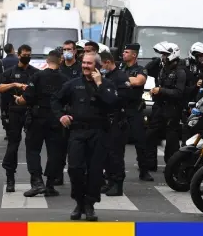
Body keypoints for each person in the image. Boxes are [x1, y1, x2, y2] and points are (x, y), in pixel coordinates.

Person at [51, 52, 118, 222]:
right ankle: (79, 202)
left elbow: (113, 103)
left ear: (97, 65)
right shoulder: (73, 84)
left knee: (95, 171)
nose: (86, 66)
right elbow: (55, 100)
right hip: (77, 132)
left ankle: (89, 205)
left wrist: (99, 84)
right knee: (75, 169)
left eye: (89, 63)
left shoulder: (106, 84)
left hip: (99, 133)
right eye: (84, 63)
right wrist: (61, 116)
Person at [14, 50, 68, 197]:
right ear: (60, 60)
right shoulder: (65, 79)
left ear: (48, 60)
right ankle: (50, 184)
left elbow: (27, 98)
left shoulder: (37, 76)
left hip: (37, 118)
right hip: (56, 119)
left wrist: (18, 100)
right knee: (55, 152)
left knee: (33, 151)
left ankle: (37, 182)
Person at [101, 47, 154, 197]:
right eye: (123, 52)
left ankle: (144, 170)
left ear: (134, 54)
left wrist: (122, 79)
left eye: (126, 52)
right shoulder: (121, 68)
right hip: (119, 111)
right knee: (114, 147)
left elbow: (139, 81)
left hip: (134, 110)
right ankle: (111, 178)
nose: (123, 54)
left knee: (139, 140)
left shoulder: (139, 69)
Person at [0, 44, 38, 192]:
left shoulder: (36, 73)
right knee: (13, 145)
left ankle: (36, 180)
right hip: (14, 112)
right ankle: (10, 178)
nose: (27, 57)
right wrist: (13, 84)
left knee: (32, 146)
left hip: (31, 113)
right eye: (24, 54)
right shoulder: (10, 73)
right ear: (18, 55)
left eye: (29, 54)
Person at [143, 42, 186, 169]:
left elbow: (179, 92)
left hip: (172, 109)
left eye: (165, 54)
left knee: (171, 140)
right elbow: (146, 69)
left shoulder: (180, 72)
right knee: (150, 134)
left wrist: (160, 90)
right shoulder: (162, 68)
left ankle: (172, 166)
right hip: (159, 107)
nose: (163, 57)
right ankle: (150, 164)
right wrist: (157, 60)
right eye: (162, 54)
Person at [56, 40, 82, 185]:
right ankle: (58, 176)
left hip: (77, 111)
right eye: (65, 49)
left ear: (75, 51)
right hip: (62, 111)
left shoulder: (79, 68)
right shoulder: (59, 68)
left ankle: (76, 177)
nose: (67, 52)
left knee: (76, 148)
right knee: (59, 147)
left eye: (69, 49)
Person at [0, 43, 18, 140]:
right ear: (12, 49)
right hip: (17, 90)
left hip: (5, 90)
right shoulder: (18, 60)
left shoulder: (2, 61)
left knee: (5, 112)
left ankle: (8, 132)